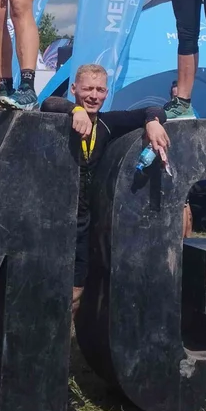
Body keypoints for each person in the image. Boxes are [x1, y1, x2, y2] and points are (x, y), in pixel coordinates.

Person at [41, 64, 170, 314]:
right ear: (74, 89)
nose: (94, 95)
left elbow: (152, 109)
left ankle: (64, 340)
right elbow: (48, 102)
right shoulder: (60, 116)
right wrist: (74, 110)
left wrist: (153, 122)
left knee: (77, 287)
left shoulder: (108, 123)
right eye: (87, 89)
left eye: (100, 90)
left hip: (85, 218)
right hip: (53, 215)